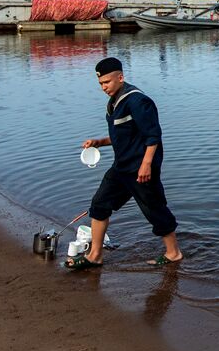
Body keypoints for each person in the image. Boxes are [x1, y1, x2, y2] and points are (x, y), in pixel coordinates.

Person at [67, 57, 182, 270]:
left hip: (141, 170)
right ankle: (95, 256)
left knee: (155, 209)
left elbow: (153, 135)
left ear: (120, 77)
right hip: (121, 168)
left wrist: (146, 165)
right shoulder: (114, 103)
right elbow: (124, 135)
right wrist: (99, 142)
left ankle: (173, 253)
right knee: (99, 205)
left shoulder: (138, 101)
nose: (104, 87)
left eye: (107, 82)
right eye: (101, 84)